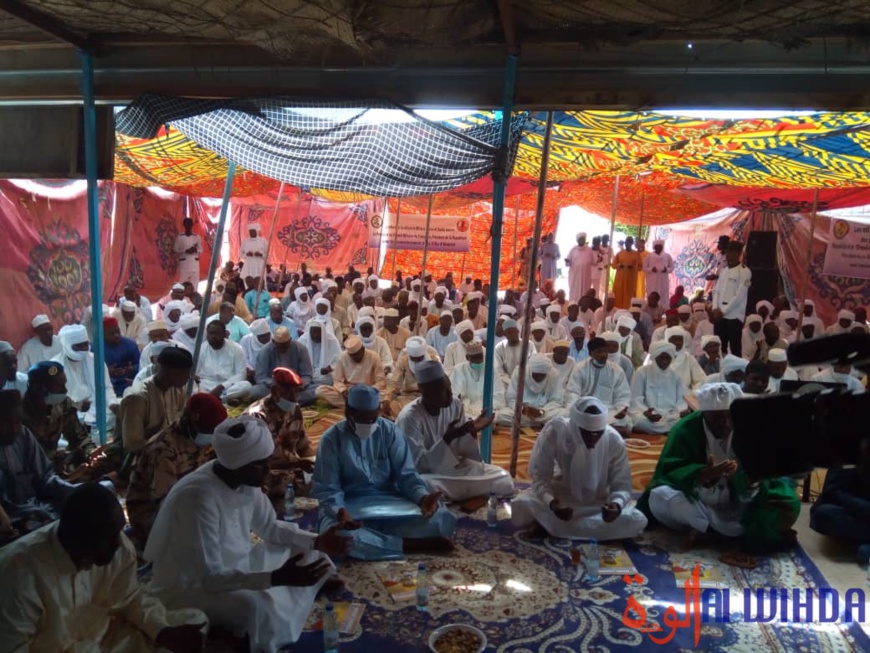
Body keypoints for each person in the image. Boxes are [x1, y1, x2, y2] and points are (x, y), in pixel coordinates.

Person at [146, 415, 346, 651]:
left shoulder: (242, 479)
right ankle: (239, 634)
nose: (268, 470)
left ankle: (291, 595)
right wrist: (276, 578)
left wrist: (318, 541)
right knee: (258, 608)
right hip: (193, 587)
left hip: (237, 567)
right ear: (242, 465)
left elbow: (270, 527)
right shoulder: (198, 498)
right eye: (263, 464)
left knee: (308, 552)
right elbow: (210, 577)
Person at [0, 482, 207, 652]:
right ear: (78, 538)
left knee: (194, 620)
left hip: (107, 639)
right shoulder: (18, 574)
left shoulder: (116, 546)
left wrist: (162, 632)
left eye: (118, 533)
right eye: (108, 538)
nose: (118, 545)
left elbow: (129, 597)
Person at [638, 383, 800, 551]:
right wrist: (702, 474)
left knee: (787, 503)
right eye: (717, 418)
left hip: (740, 498)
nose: (725, 423)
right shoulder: (684, 430)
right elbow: (668, 471)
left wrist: (746, 479)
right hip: (700, 500)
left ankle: (713, 534)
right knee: (660, 497)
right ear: (704, 414)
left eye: (730, 416)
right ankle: (724, 534)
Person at [312, 384, 456, 561]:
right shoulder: (331, 439)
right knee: (339, 537)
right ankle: (414, 545)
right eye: (362, 420)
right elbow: (328, 488)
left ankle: (377, 541)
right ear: (348, 413)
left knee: (441, 517)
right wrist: (340, 512)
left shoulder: (390, 431)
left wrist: (422, 498)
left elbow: (407, 475)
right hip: (349, 507)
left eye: (373, 419)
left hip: (389, 501)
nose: (369, 425)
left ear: (378, 412)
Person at [512, 396, 647, 540]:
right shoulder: (555, 432)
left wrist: (617, 505)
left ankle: (548, 526)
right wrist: (551, 503)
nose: (593, 440)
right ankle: (588, 529)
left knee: (637, 519)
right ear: (575, 426)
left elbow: (622, 485)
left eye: (598, 433)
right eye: (587, 433)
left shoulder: (614, 440)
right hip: (560, 495)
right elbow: (540, 478)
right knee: (522, 504)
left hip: (598, 501)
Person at [396, 361, 514, 501]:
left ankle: (454, 495)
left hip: (455, 469)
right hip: (430, 475)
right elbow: (419, 466)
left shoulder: (455, 404)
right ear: (426, 394)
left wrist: (470, 432)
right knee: (424, 485)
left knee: (504, 478)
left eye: (449, 387)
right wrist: (446, 440)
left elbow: (464, 455)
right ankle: (464, 493)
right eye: (443, 391)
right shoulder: (409, 418)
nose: (450, 393)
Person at [126, 393, 227, 545]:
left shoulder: (200, 440)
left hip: (188, 502)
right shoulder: (163, 450)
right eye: (208, 433)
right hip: (153, 514)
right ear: (192, 420)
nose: (210, 439)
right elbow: (167, 505)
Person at [0, 389, 78, 538]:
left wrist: (71, 490)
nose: (14, 429)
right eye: (7, 423)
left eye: (18, 422)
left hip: (39, 511)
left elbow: (45, 477)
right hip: (12, 524)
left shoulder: (23, 435)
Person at [247, 368, 316, 503]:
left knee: (326, 478)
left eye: (296, 392)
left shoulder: (294, 409)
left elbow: (303, 447)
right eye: (288, 392)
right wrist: (296, 464)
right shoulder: (257, 417)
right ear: (274, 391)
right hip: (266, 473)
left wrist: (314, 462)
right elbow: (256, 465)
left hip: (293, 470)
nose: (294, 397)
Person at [23, 361, 96, 473]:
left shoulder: (62, 404)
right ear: (39, 388)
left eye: (64, 384)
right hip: (30, 472)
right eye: (59, 386)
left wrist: (91, 453)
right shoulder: (17, 415)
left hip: (56, 464)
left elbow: (78, 437)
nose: (65, 390)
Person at [810, 431, 870, 563]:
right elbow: (831, 494)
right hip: (854, 511)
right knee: (824, 515)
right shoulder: (848, 448)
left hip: (858, 512)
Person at [52, 325, 119, 429]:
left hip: (101, 410)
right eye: (77, 346)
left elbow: (106, 387)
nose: (83, 350)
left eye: (85, 345)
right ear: (66, 345)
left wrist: (112, 404)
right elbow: (56, 400)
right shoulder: (56, 366)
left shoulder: (96, 360)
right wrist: (76, 406)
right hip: (74, 412)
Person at [567, 338, 632, 436]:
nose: (603, 355)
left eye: (605, 351)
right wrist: (576, 409)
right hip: (585, 408)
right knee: (566, 415)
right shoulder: (580, 368)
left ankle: (593, 430)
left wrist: (621, 409)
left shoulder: (616, 370)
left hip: (608, 409)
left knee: (626, 420)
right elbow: (572, 392)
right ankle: (608, 430)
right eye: (599, 352)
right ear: (591, 354)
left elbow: (622, 394)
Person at [630, 341, 690, 434]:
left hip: (671, 416)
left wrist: (680, 411)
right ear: (655, 357)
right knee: (639, 420)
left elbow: (682, 399)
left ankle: (662, 429)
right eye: (662, 357)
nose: (665, 361)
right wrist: (646, 412)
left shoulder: (675, 375)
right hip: (647, 416)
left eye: (668, 358)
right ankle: (670, 430)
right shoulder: (642, 372)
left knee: (685, 421)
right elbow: (636, 400)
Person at [316, 335, 387, 408]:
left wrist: (370, 391)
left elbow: (381, 381)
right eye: (353, 356)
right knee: (320, 390)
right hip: (350, 391)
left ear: (363, 349)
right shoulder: (343, 357)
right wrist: (343, 390)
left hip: (369, 391)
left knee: (384, 397)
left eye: (358, 355)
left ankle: (354, 405)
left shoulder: (374, 357)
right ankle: (366, 405)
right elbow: (337, 380)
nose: (356, 358)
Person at [253, 326, 317, 404]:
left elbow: (307, 374)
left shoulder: (301, 349)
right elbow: (261, 377)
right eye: (279, 347)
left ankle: (278, 401)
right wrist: (276, 385)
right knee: (255, 391)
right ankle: (290, 401)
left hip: (295, 388)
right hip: (274, 387)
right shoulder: (264, 351)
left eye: (285, 346)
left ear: (290, 340)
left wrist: (299, 385)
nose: (282, 349)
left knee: (316, 389)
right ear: (273, 341)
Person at [499, 353, 567, 427]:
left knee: (565, 414)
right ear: (531, 370)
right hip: (523, 413)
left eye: (542, 375)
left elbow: (556, 400)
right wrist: (523, 409)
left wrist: (542, 411)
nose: (538, 377)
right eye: (536, 374)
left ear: (547, 372)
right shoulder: (519, 372)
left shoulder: (554, 374)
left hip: (544, 413)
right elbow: (511, 399)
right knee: (500, 415)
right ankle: (539, 424)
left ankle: (528, 423)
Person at [712, 241, 752, 357]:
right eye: (728, 251)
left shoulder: (744, 271)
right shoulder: (724, 271)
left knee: (735, 348)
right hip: (719, 315)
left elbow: (739, 296)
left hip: (734, 315)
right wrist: (715, 308)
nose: (728, 254)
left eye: (732, 251)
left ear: (739, 253)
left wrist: (723, 311)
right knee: (719, 347)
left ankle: (736, 372)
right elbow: (716, 291)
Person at [196, 321, 251, 404]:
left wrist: (222, 386)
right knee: (191, 386)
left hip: (227, 386)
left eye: (217, 334)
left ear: (224, 334)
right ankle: (222, 399)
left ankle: (213, 399)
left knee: (247, 386)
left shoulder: (236, 348)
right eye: (210, 333)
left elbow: (241, 375)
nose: (213, 337)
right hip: (207, 384)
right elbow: (196, 372)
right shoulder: (202, 348)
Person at [103, 317, 140, 397]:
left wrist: (132, 369)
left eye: (117, 332)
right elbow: (91, 372)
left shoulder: (130, 344)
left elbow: (142, 366)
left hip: (127, 384)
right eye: (111, 333)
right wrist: (107, 372)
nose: (116, 335)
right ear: (103, 334)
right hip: (105, 386)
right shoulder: (96, 348)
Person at [298, 321, 341, 388]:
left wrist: (330, 368)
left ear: (323, 332)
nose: (316, 335)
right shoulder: (302, 340)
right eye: (313, 332)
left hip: (327, 378)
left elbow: (339, 360)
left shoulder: (332, 340)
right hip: (307, 376)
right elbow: (298, 361)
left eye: (318, 332)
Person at [666, 326, 708, 391]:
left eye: (680, 339)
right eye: (674, 339)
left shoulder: (688, 358)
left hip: (685, 397)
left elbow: (702, 379)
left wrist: (692, 392)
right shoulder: (659, 357)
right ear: (668, 340)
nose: (677, 342)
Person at [494, 319, 531, 390]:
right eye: (509, 333)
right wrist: (511, 382)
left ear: (517, 331)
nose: (512, 335)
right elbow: (499, 371)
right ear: (504, 334)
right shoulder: (499, 348)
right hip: (507, 383)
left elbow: (533, 366)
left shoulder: (529, 345)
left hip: (526, 381)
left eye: (514, 332)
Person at [611, 236, 640, 309]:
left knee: (629, 294)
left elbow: (640, 266)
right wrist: (620, 265)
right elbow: (613, 265)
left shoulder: (636, 254)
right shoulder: (620, 253)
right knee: (618, 293)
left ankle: (628, 309)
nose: (628, 244)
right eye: (627, 242)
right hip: (620, 278)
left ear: (632, 243)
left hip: (631, 279)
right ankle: (617, 308)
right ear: (625, 243)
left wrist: (633, 267)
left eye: (630, 242)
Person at [565, 232, 595, 302]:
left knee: (585, 290)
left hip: (585, 276)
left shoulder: (589, 250)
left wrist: (598, 260)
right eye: (581, 239)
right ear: (577, 240)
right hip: (575, 276)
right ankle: (573, 303)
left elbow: (594, 262)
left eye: (583, 239)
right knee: (575, 291)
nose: (582, 240)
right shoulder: (573, 250)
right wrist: (567, 262)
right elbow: (568, 263)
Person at [174, 216, 202, 285]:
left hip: (194, 262)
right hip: (184, 263)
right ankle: (182, 294)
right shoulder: (180, 237)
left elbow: (201, 250)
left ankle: (194, 294)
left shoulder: (197, 237)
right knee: (182, 281)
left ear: (192, 225)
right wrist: (185, 251)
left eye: (190, 224)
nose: (188, 226)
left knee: (195, 281)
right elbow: (175, 249)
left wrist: (195, 250)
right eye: (187, 224)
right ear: (184, 225)